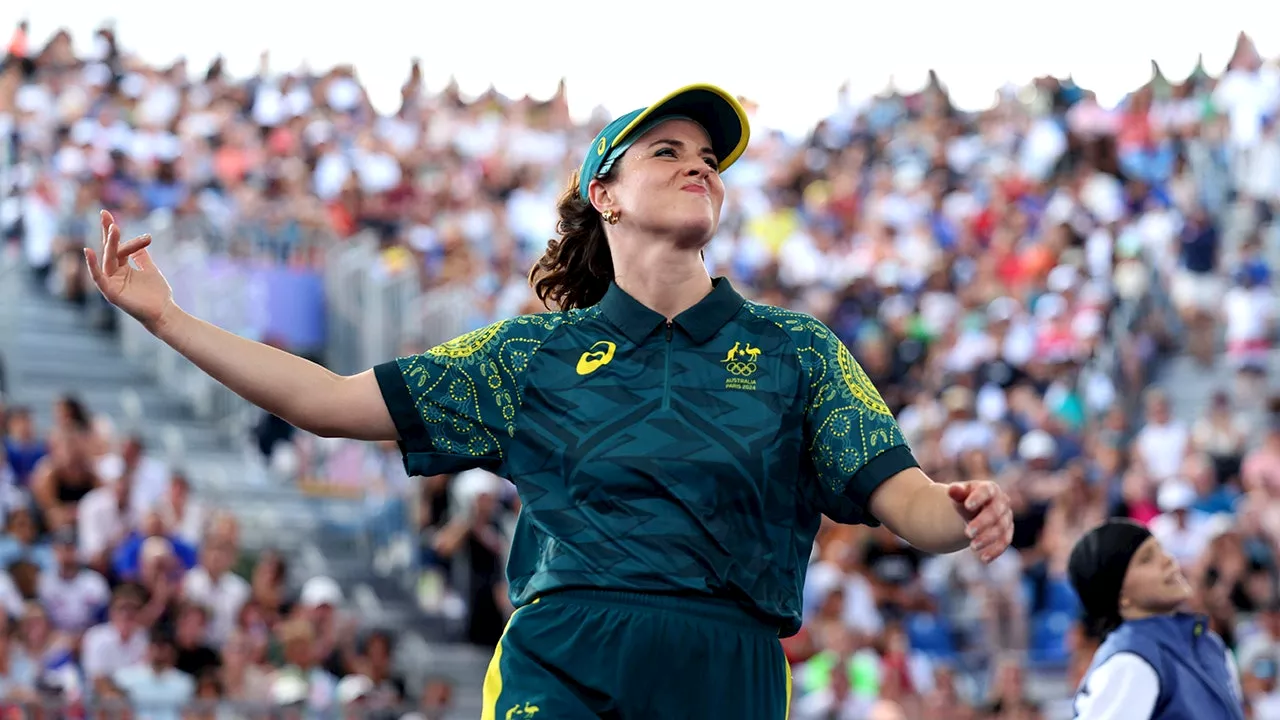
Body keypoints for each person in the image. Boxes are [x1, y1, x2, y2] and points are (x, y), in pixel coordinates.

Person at [85, 83, 1014, 720]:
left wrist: (957, 510)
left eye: (709, 158)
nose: (701, 167)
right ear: (603, 193)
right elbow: (328, 400)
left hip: (728, 666)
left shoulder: (795, 349)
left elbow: (906, 499)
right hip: (568, 651)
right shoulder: (533, 354)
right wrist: (168, 320)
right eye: (669, 151)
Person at [1068, 518, 1245, 719]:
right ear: (1119, 593)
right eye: (1146, 559)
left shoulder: (1211, 645)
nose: (1167, 560)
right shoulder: (1131, 662)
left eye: (1160, 549)